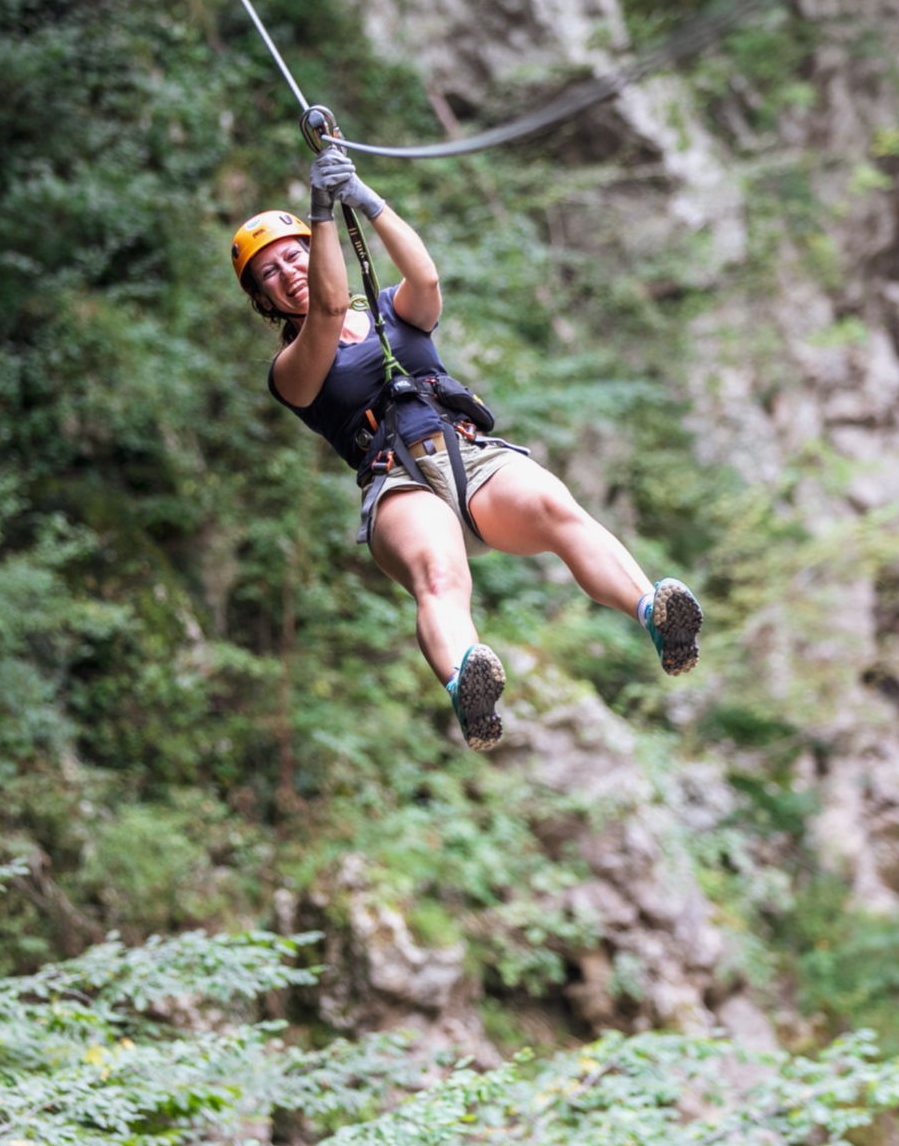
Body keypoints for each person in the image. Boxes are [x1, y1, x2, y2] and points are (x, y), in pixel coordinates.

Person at [233, 146, 703, 752]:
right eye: (269, 273)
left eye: (294, 255)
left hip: (467, 455)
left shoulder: (391, 314)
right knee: (440, 576)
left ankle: (655, 615)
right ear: (264, 301)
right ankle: (466, 682)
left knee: (561, 513)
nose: (288, 271)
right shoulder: (292, 368)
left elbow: (425, 278)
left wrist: (365, 200)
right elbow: (325, 308)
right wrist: (322, 213)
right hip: (397, 480)